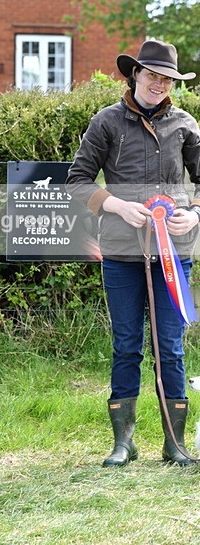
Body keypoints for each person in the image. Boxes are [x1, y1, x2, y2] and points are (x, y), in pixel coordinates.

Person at [66, 40, 199, 467]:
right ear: (135, 75)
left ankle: (174, 444)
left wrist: (194, 215)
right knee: (126, 346)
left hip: (173, 252)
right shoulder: (106, 121)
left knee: (171, 346)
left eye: (166, 78)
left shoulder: (185, 124)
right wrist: (116, 205)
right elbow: (77, 180)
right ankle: (123, 443)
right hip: (121, 252)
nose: (158, 83)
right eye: (151, 75)